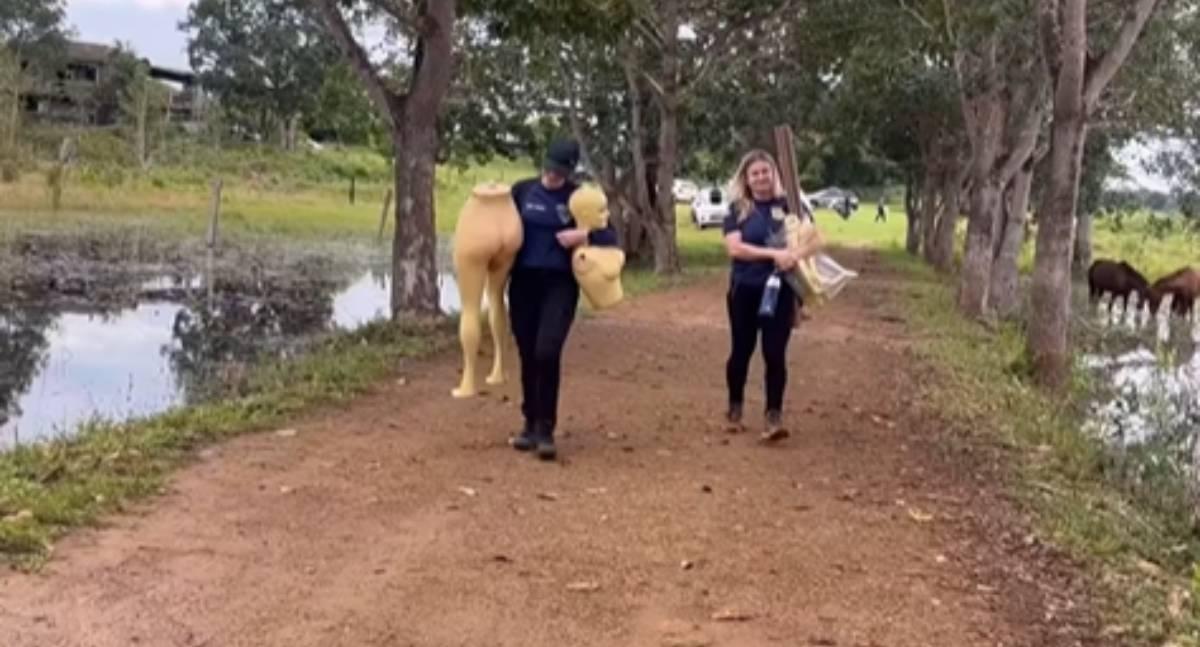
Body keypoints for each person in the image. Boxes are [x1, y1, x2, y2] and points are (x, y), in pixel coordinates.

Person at [507, 138, 618, 461]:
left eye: (561, 171)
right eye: (550, 169)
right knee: (527, 351)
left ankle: (546, 428)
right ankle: (529, 421)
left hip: (559, 283)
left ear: (571, 170)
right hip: (524, 282)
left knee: (547, 350)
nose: (554, 176)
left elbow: (611, 235)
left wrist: (582, 236)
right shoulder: (522, 191)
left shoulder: (579, 197)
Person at [721, 149, 800, 443]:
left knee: (775, 353)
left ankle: (773, 416)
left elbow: (806, 240)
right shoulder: (737, 210)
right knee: (742, 350)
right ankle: (734, 408)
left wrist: (795, 254)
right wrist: (773, 254)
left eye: (765, 171)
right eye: (755, 173)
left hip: (781, 291)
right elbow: (735, 249)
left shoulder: (790, 207)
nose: (761, 177)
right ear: (746, 179)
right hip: (745, 289)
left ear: (774, 173)